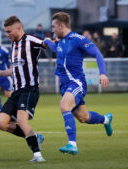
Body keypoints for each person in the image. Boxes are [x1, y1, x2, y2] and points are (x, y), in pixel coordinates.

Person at [43, 12, 113, 155]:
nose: (52, 30)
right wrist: (47, 41)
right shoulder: (61, 40)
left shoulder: (78, 39)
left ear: (61, 26)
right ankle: (106, 119)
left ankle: (72, 145)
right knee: (83, 117)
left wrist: (103, 73)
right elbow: (56, 48)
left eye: (54, 27)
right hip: (65, 85)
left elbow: (97, 54)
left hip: (76, 83)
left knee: (63, 106)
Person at [0, 15, 46, 163]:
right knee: (0, 123)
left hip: (30, 89)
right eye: (6, 32)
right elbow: (14, 69)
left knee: (22, 120)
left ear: (18, 28)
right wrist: (2, 73)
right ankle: (35, 138)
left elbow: (47, 44)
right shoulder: (13, 46)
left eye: (9, 31)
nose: (7, 35)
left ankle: (37, 155)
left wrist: (62, 43)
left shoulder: (30, 40)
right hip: (17, 92)